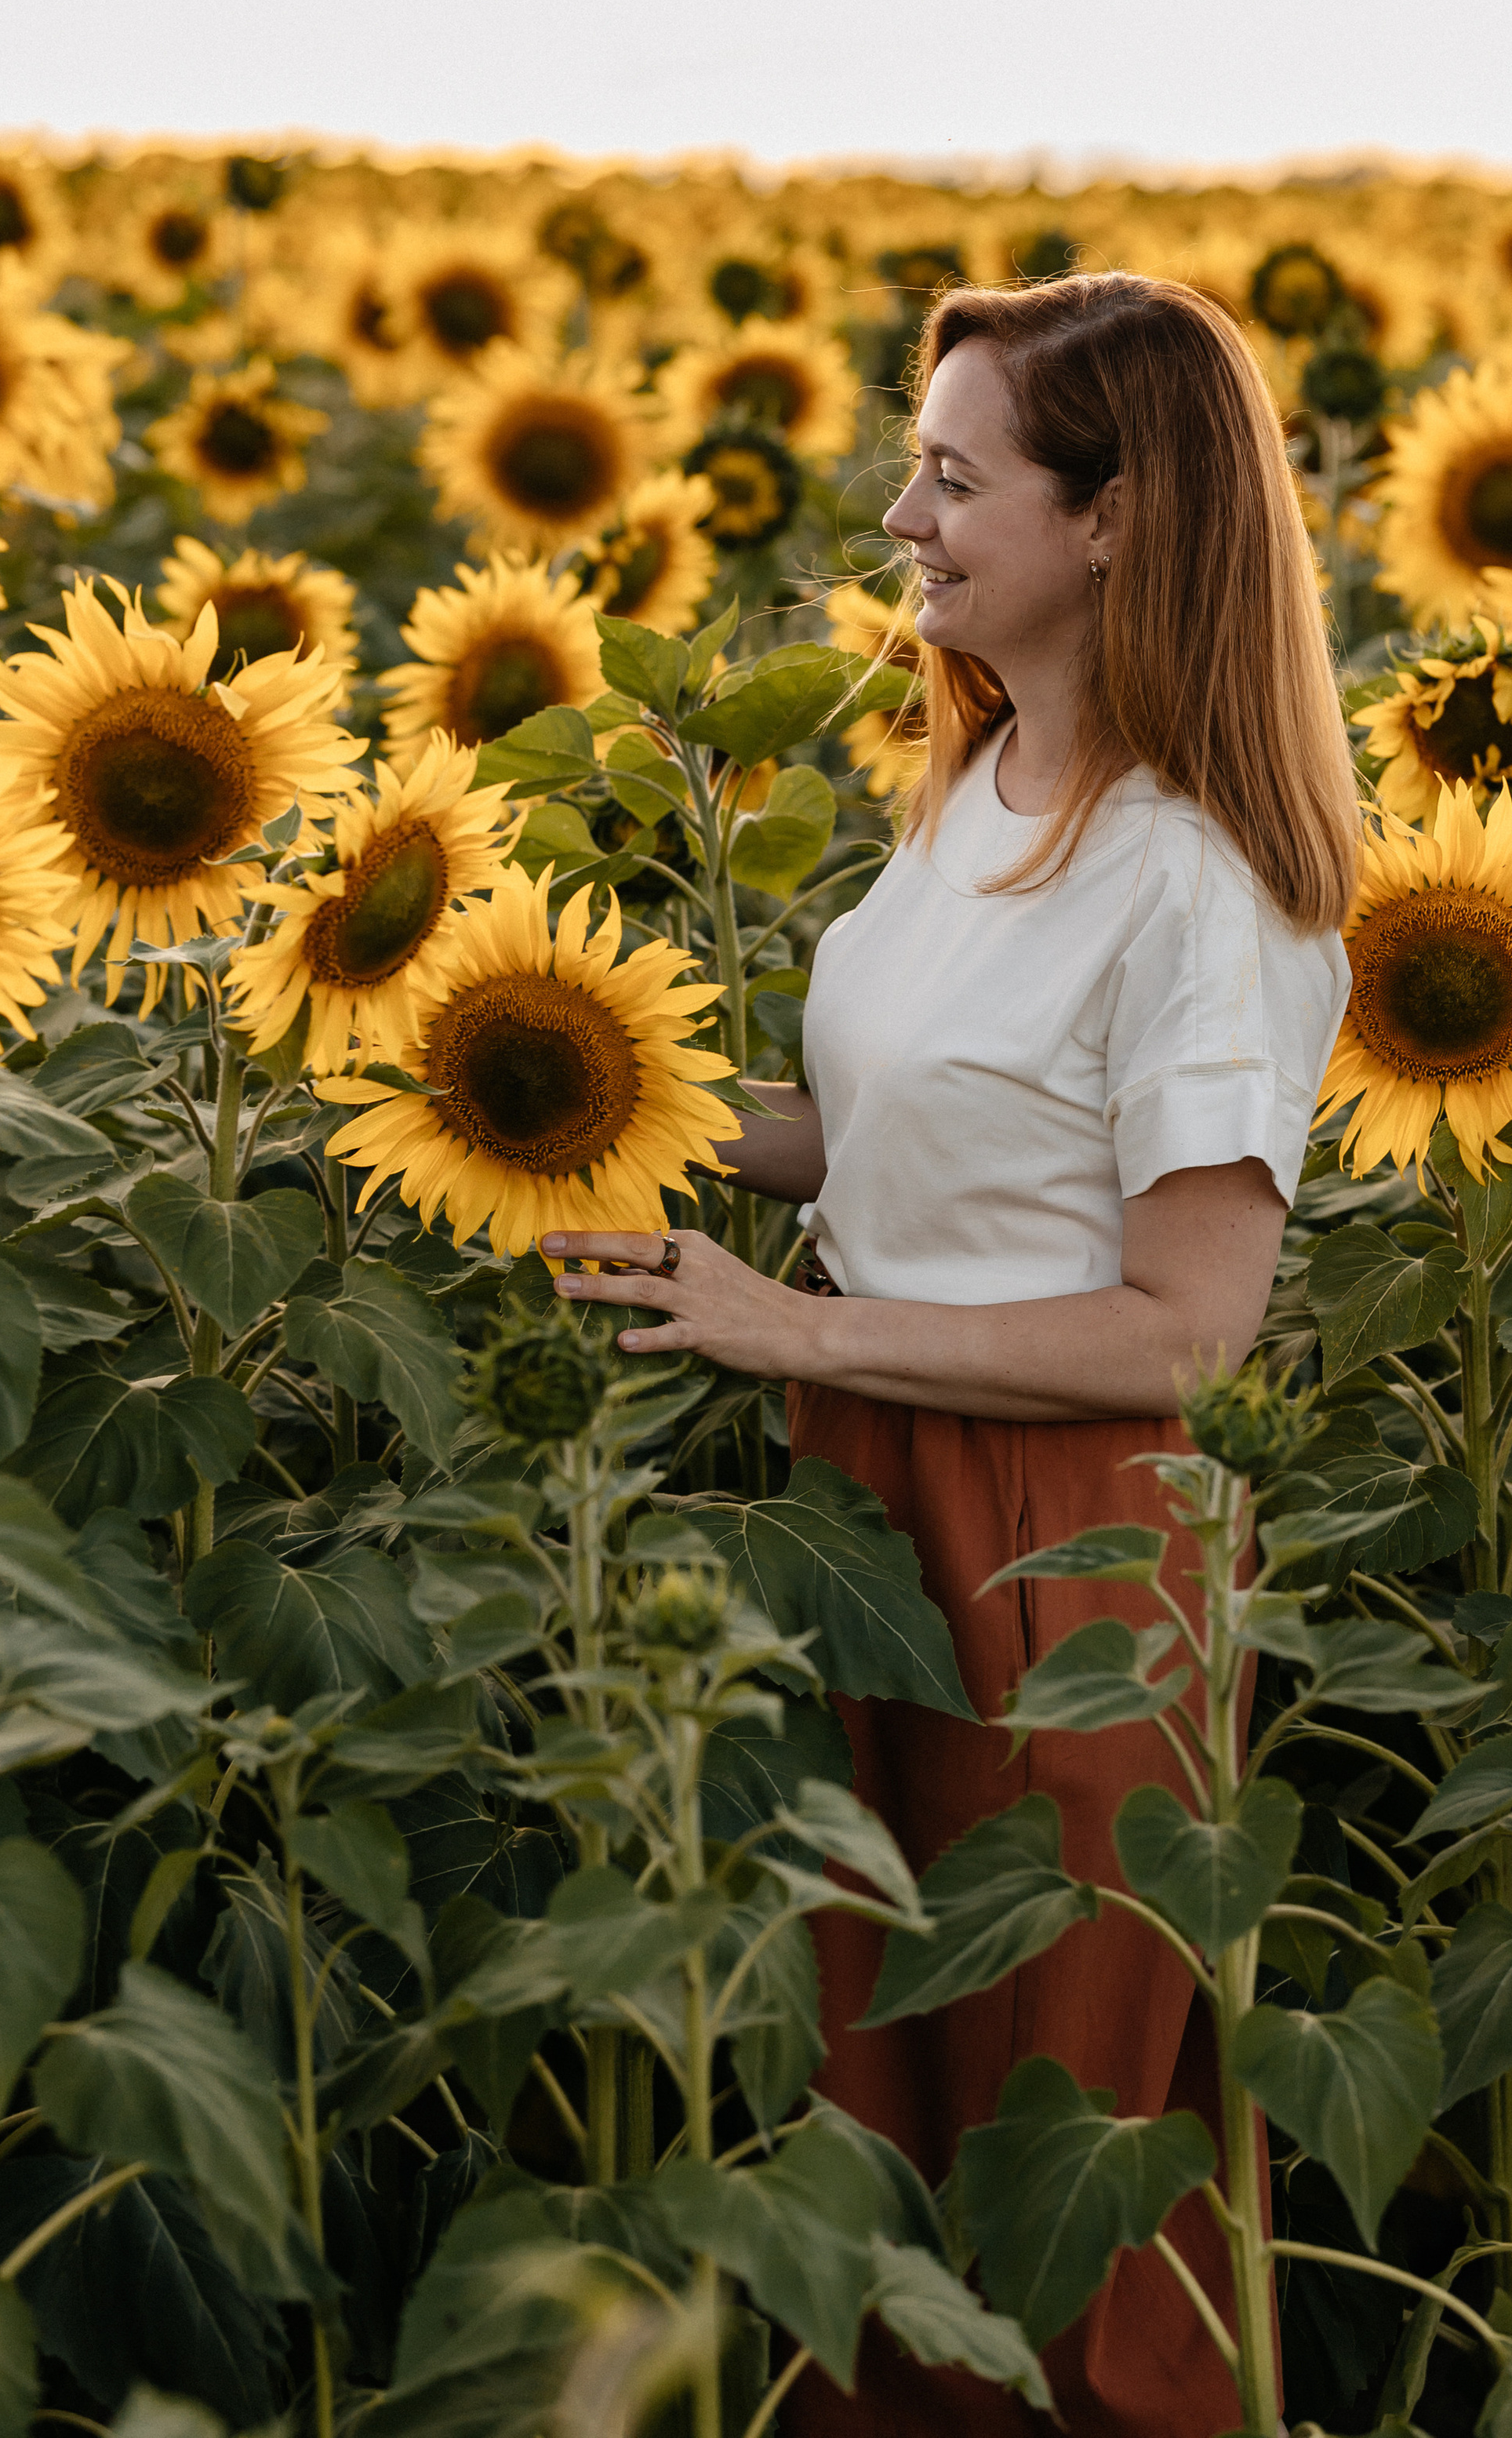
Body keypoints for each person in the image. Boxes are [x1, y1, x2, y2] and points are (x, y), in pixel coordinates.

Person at [543, 271, 1358, 2437]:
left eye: (951, 472)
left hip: (1060, 1558)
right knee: (867, 2142)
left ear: (1113, 523)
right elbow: (914, 1129)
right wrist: (595, 1111)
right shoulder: (984, 781)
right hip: (869, 1499)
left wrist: (783, 1315)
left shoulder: (1206, 885)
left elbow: (1192, 1333)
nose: (901, 513)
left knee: (1048, 2172)